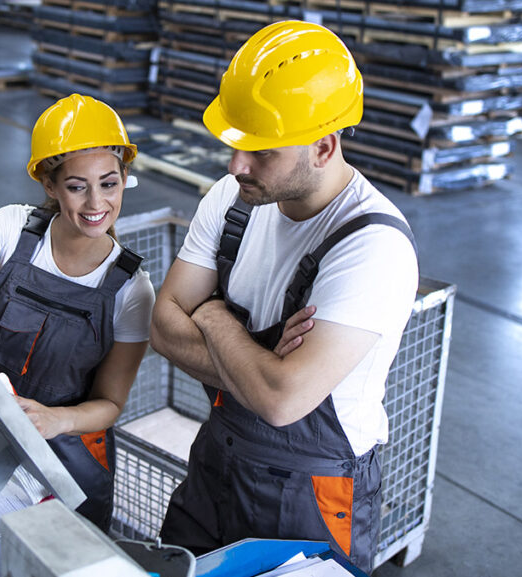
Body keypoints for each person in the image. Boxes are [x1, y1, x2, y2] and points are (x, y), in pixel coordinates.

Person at [151, 21, 419, 573]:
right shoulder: (233, 199)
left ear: (324, 147)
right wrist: (263, 367)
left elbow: (282, 402)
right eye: (235, 145)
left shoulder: (372, 247)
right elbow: (162, 327)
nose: (235, 166)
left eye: (262, 153)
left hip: (310, 495)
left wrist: (214, 317)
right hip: (215, 461)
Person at [0, 94, 155, 531]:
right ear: (49, 184)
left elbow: (110, 403)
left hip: (69, 456)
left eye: (109, 183)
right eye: (77, 186)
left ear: (124, 179)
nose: (96, 203)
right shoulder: (12, 228)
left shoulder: (131, 289)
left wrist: (56, 419)